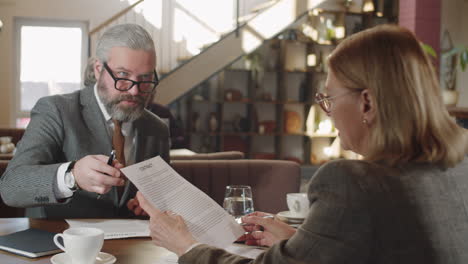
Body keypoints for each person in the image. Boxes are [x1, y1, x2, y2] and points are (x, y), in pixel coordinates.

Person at [136, 24, 468, 263]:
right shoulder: (459, 168)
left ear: (367, 103)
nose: (328, 113)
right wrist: (303, 243)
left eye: (329, 98)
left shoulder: (353, 183)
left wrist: (186, 246)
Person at [0, 24, 170, 218]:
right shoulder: (56, 111)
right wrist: (72, 177)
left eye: (145, 78)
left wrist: (150, 204)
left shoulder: (158, 129)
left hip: (132, 246)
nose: (134, 91)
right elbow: (11, 187)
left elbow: (160, 196)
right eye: (123, 76)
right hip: (58, 242)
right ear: (98, 69)